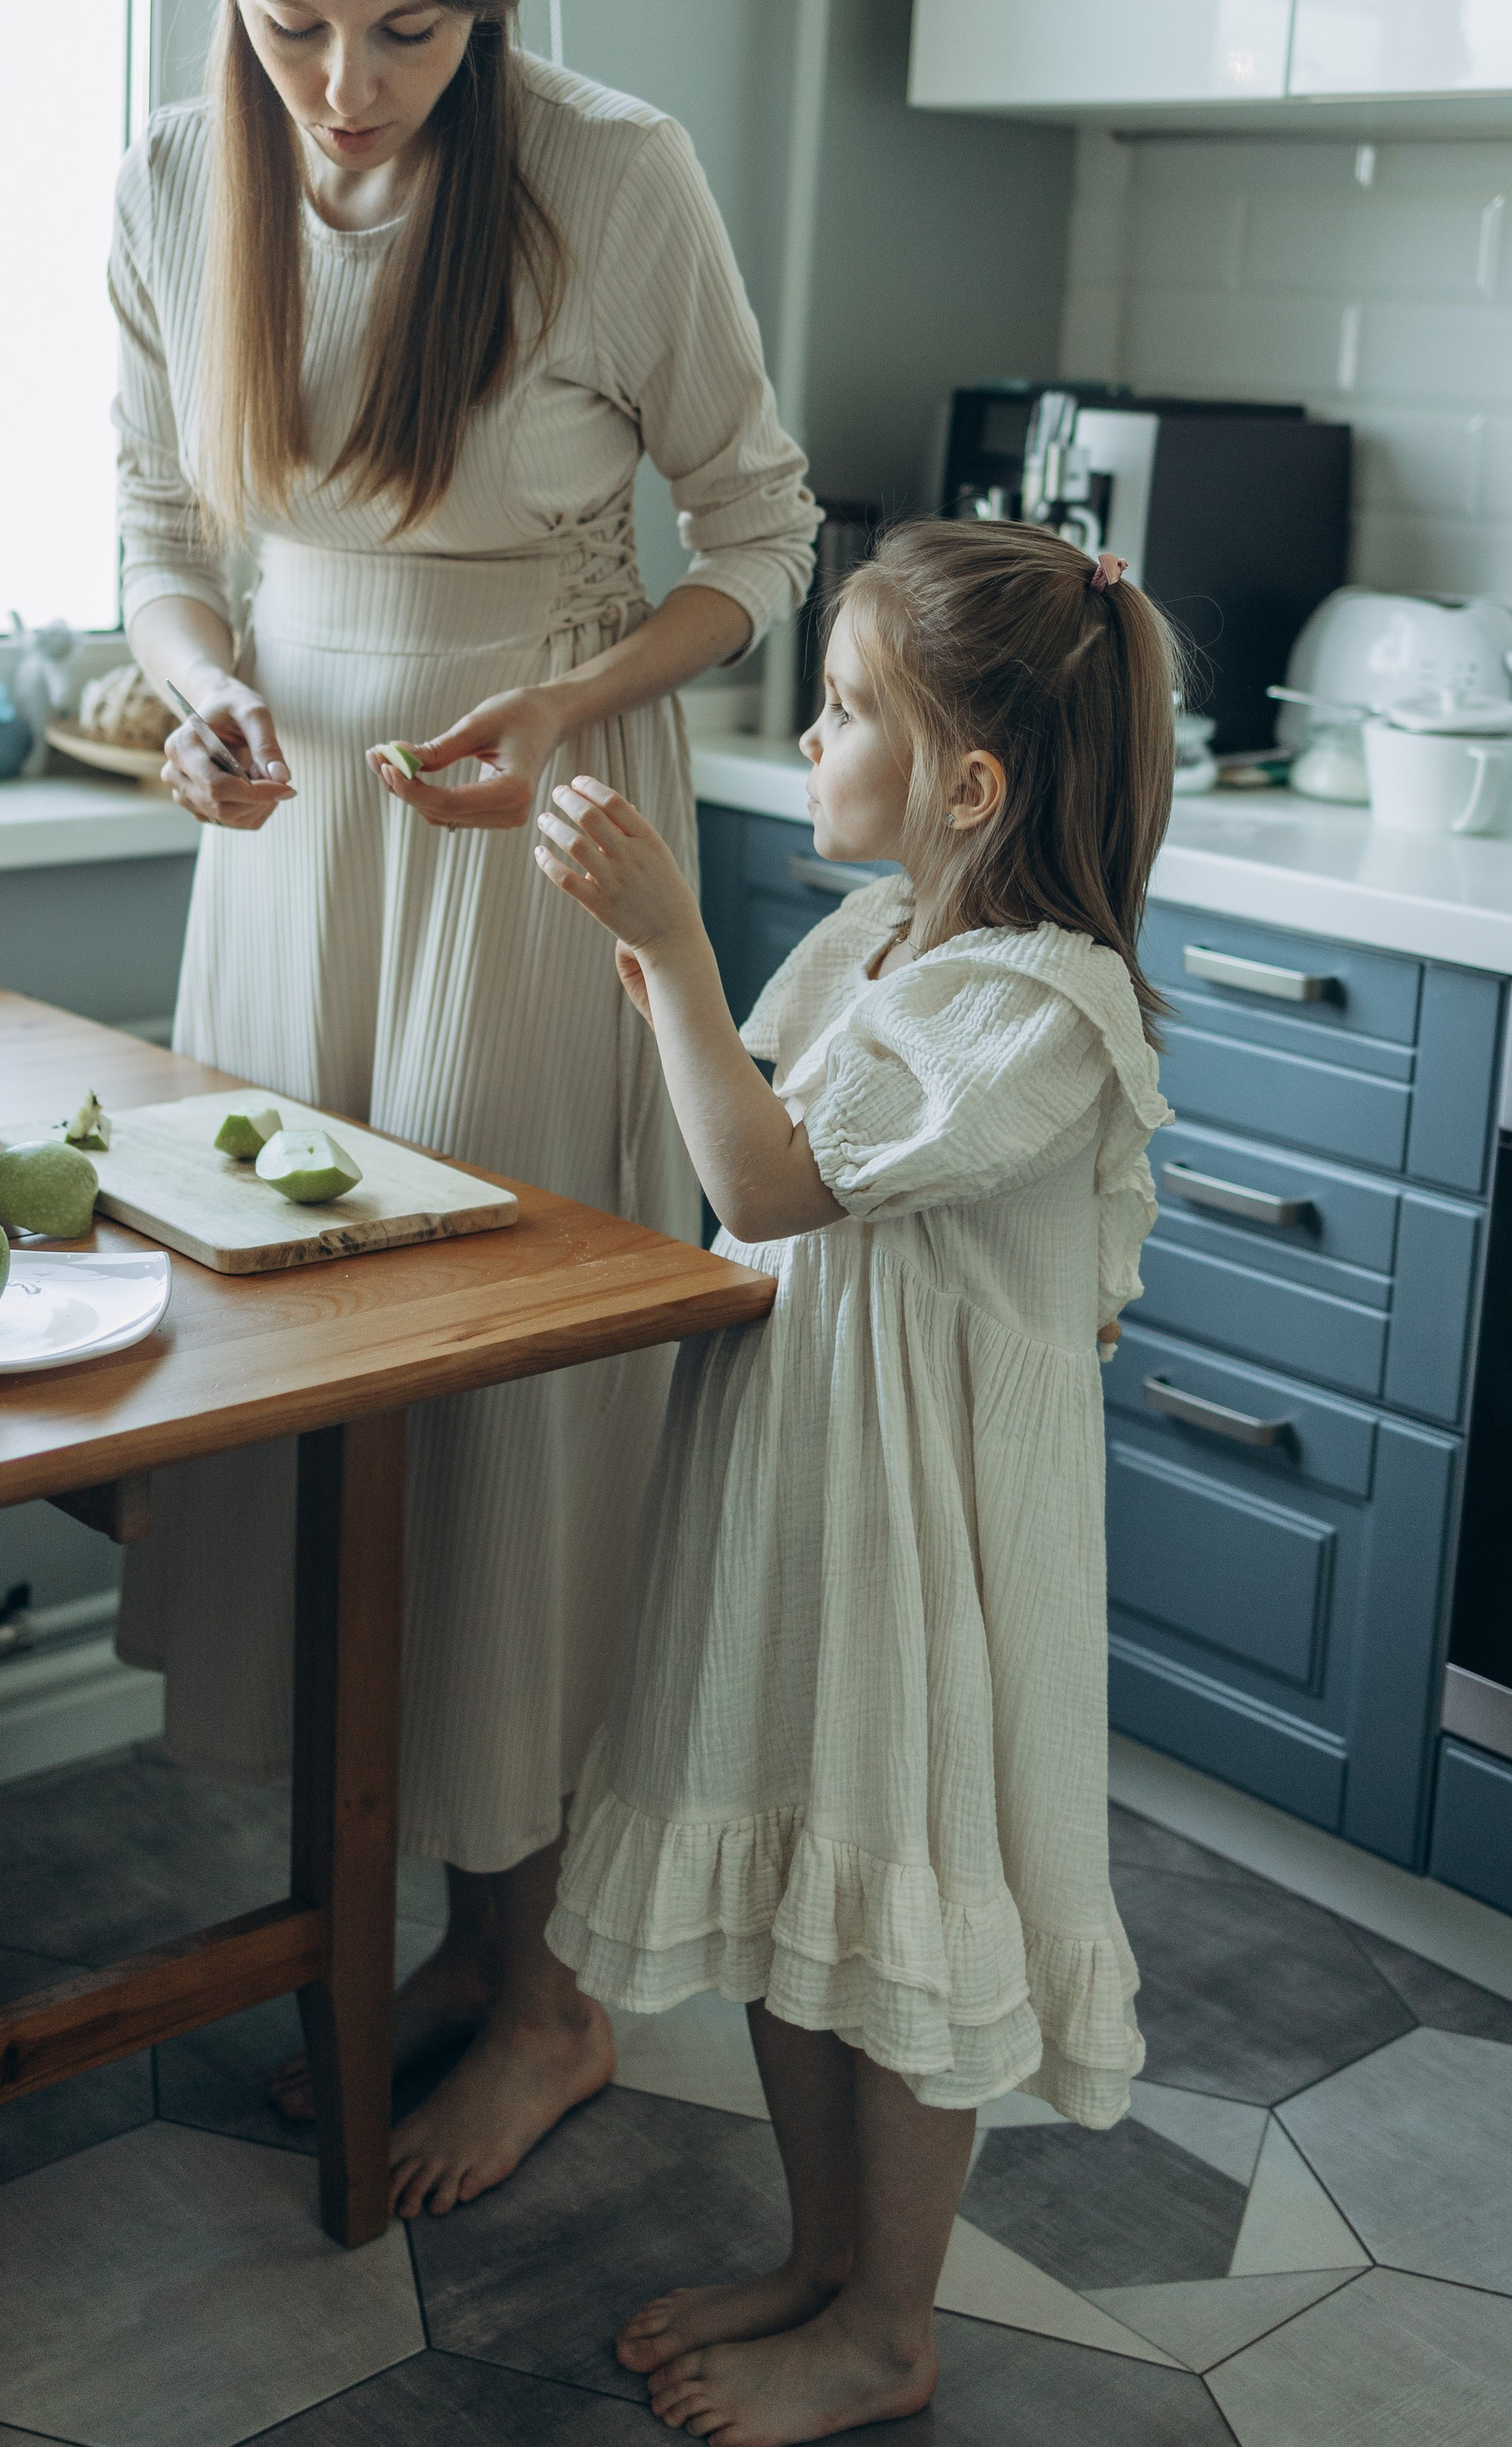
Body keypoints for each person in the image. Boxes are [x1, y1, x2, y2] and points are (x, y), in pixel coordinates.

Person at [109, 0, 817, 2219]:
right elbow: (149, 525)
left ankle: (542, 1993)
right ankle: (406, 1925)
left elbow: (767, 531)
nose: (345, 85)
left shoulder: (616, 181)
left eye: (406, 32)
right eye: (296, 20)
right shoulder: (181, 182)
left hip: (538, 861)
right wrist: (200, 688)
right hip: (290, 855)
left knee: (506, 1417)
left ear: (487, 3)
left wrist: (581, 703)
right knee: (317, 1390)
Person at [532, 520, 1177, 2444]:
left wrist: (666, 946)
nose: (804, 744)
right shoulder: (881, 940)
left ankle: (886, 2324)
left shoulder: (1035, 1008)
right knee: (801, 1888)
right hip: (804, 1487)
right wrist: (659, 984)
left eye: (839, 714)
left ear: (966, 786)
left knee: (894, 1913)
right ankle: (821, 2257)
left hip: (919, 1541)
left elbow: (765, 1182)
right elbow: (750, 1102)